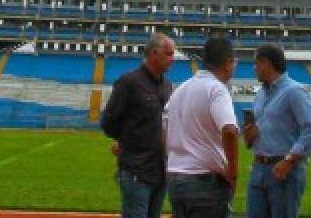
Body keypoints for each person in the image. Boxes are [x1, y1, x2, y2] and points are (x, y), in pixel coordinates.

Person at [241, 44, 311, 218]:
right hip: (258, 168)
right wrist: (251, 135)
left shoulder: (295, 92)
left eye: (256, 64)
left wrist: (290, 160)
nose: (253, 68)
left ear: (266, 63)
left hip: (284, 172)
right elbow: (265, 130)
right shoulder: (261, 94)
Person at [101, 32, 176, 218]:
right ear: (154, 54)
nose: (172, 59)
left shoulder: (167, 86)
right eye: (168, 54)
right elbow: (108, 122)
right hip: (137, 173)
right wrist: (127, 141)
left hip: (160, 173)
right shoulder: (129, 83)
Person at [163, 36, 240, 218]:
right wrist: (233, 173)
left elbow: (163, 128)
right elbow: (229, 130)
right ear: (228, 63)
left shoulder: (181, 89)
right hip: (205, 181)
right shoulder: (217, 89)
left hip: (176, 178)